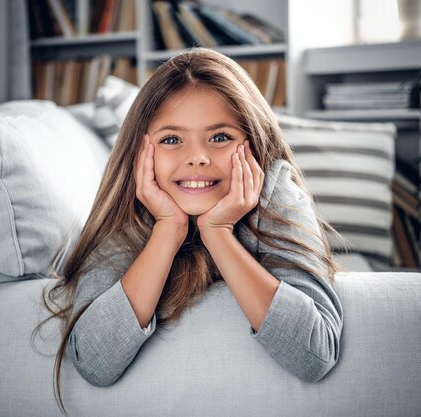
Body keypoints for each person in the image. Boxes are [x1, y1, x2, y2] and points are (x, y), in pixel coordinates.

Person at [36, 47, 343, 415]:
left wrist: (218, 233)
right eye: (171, 139)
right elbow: (95, 362)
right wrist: (168, 228)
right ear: (139, 152)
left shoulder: (274, 194)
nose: (197, 157)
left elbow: (315, 351)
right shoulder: (129, 214)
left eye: (219, 137)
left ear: (253, 143)